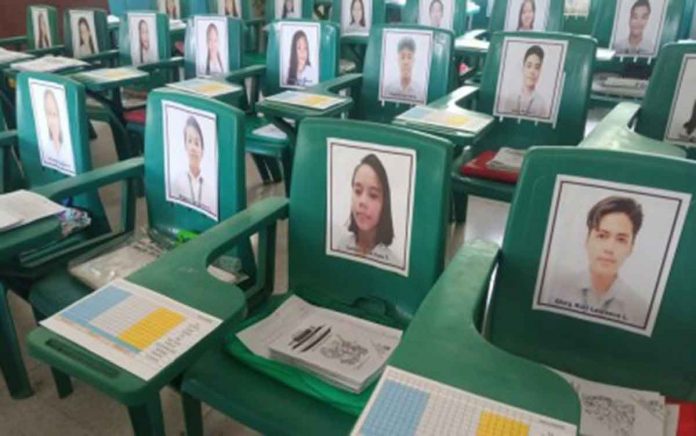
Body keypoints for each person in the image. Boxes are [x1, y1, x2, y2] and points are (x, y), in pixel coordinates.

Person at [545, 196, 648, 325]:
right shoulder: (554, 287)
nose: (609, 248)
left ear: (631, 248)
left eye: (621, 239)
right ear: (587, 240)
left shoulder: (640, 309)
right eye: (602, 236)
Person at [337, 154, 399, 265]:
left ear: (385, 203)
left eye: (373, 195)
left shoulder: (393, 262)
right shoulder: (341, 245)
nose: (362, 202)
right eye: (358, 191)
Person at [171, 116, 215, 213]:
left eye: (197, 143)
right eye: (189, 141)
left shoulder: (210, 189)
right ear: (185, 146)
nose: (193, 148)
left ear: (202, 151)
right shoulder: (176, 181)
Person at [499, 45, 548, 118]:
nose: (532, 71)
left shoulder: (542, 103)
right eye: (529, 66)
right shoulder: (510, 97)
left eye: (537, 67)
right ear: (523, 68)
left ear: (540, 71)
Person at [40, 89, 75, 175]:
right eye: (48, 113)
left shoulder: (69, 147)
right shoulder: (46, 146)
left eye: (54, 114)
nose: (51, 120)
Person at [384, 36, 425, 103]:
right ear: (397, 60)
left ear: (414, 60)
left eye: (409, 57)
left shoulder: (420, 92)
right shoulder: (388, 89)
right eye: (402, 57)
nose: (406, 62)